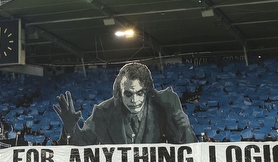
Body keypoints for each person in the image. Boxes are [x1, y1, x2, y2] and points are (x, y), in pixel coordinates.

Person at [53, 62, 196, 145]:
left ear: (147, 92)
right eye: (128, 94)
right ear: (119, 94)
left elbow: (186, 149)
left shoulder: (164, 106)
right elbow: (82, 143)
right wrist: (70, 128)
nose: (134, 100)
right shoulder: (103, 112)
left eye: (140, 93)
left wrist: (185, 129)